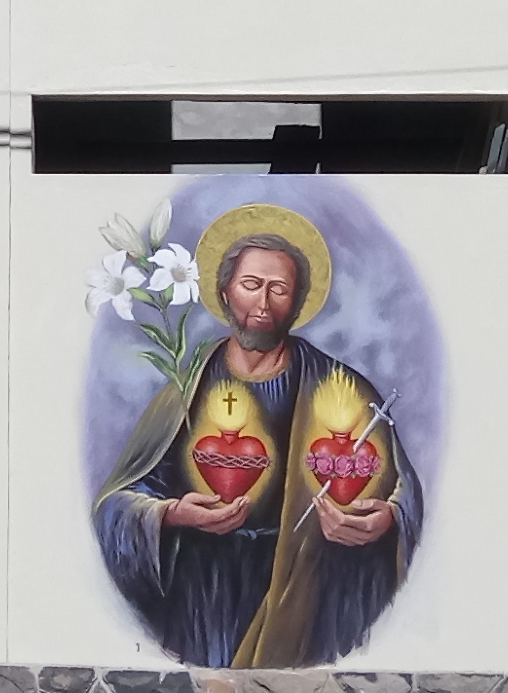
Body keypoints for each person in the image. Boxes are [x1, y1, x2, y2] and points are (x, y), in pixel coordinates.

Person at [93, 210, 416, 668]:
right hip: (202, 599)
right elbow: (121, 499)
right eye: (251, 284)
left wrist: (386, 520)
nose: (263, 302)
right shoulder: (188, 386)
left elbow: (403, 491)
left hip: (303, 591)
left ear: (298, 303)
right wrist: (171, 514)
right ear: (225, 291)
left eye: (278, 289)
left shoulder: (341, 387)